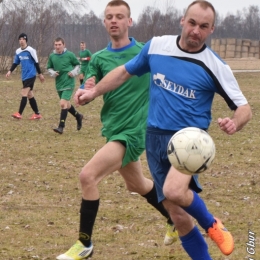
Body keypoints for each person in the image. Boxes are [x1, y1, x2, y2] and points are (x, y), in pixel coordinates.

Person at [74, 1, 252, 259]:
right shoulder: (157, 46)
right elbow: (124, 72)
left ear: (211, 29)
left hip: (190, 142)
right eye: (192, 23)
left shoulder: (215, 66)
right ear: (182, 21)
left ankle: (212, 224)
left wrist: (236, 122)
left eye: (203, 26)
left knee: (174, 191)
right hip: (154, 139)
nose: (195, 31)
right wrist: (93, 92)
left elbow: (244, 107)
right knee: (178, 216)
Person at [56, 1, 178, 259]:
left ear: (129, 22)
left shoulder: (146, 52)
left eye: (119, 16)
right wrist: (84, 91)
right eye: (109, 16)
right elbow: (88, 89)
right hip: (114, 128)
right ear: (104, 22)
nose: (114, 20)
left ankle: (85, 243)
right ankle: (176, 217)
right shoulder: (99, 58)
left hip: (134, 132)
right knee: (136, 184)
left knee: (87, 177)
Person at [47, 37, 83, 134]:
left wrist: (73, 72)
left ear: (64, 45)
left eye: (59, 44)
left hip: (69, 82)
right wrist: (53, 73)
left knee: (63, 104)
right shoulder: (52, 56)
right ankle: (78, 116)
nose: (58, 47)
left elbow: (78, 65)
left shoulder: (70, 55)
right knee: (66, 105)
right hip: (59, 84)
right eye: (56, 45)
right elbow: (48, 68)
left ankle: (61, 127)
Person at [6, 33, 44, 120]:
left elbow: (36, 62)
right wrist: (10, 71)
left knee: (24, 93)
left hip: (31, 75)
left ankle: (19, 113)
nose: (21, 40)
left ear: (26, 40)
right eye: (20, 39)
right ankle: (37, 114)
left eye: (23, 39)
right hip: (24, 76)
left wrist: (40, 74)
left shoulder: (31, 50)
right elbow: (16, 63)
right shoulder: (18, 51)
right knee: (30, 95)